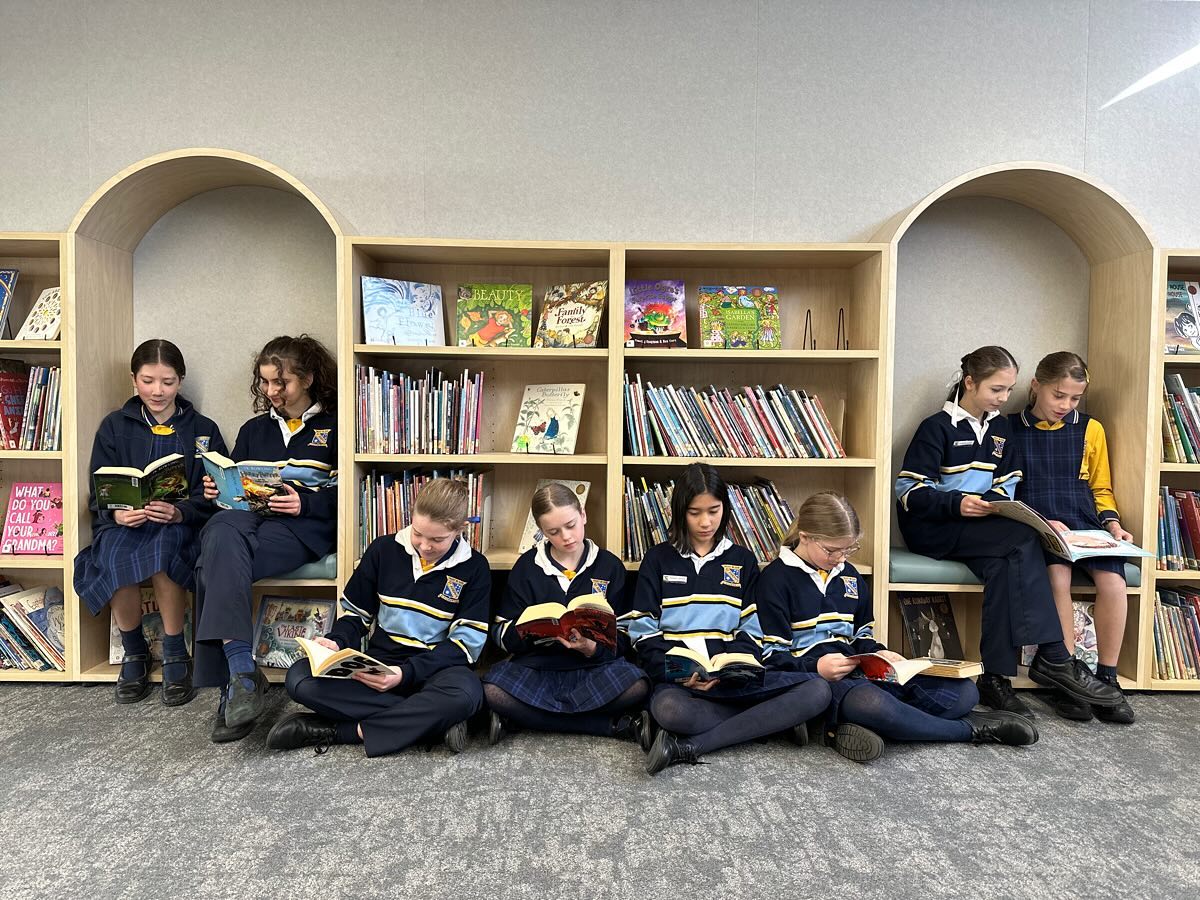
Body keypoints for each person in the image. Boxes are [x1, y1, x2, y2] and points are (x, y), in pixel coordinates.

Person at [895, 345, 1123, 718]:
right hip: (933, 528)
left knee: (1004, 567)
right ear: (970, 382)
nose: (1004, 398)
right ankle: (1055, 656)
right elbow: (908, 490)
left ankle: (995, 678)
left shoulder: (1000, 429)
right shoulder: (936, 427)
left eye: (1008, 390)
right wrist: (957, 504)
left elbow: (1008, 482)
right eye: (996, 389)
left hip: (979, 528)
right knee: (1023, 540)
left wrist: (994, 503)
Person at [756, 491, 1037, 762]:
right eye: (832, 550)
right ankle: (969, 730)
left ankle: (872, 725)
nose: (841, 558)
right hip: (818, 681)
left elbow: (861, 635)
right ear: (805, 536)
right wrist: (816, 667)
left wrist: (880, 653)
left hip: (860, 671)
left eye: (849, 550)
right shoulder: (775, 580)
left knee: (964, 692)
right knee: (872, 704)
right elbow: (770, 657)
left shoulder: (849, 576)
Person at [624, 463, 832, 774]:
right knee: (669, 710)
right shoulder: (658, 559)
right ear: (679, 511)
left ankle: (692, 744)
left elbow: (751, 630)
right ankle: (770, 722)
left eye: (714, 511)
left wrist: (731, 669)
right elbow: (642, 631)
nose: (705, 522)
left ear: (725, 508)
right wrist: (677, 671)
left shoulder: (742, 560)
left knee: (817, 690)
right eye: (694, 512)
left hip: (732, 680)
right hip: (681, 682)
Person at [267, 479, 489, 757]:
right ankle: (433, 722)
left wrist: (405, 674)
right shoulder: (383, 550)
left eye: (437, 540)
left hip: (435, 670)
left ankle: (344, 731)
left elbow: (464, 645)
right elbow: (356, 615)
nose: (424, 546)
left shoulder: (475, 567)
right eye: (418, 533)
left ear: (460, 529)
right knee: (300, 678)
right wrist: (336, 642)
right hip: (379, 665)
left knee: (465, 695)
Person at [193, 335, 338, 743]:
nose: (272, 391)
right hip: (245, 521)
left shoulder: (336, 425)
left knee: (209, 567)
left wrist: (305, 503)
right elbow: (234, 483)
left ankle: (237, 680)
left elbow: (349, 492)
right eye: (265, 382)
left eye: (281, 382)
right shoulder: (253, 430)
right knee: (220, 529)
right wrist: (215, 491)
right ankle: (242, 672)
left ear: (307, 379)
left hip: (297, 528)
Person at [74, 339, 226, 706]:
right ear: (133, 380)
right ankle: (134, 651)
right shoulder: (114, 426)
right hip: (125, 524)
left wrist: (180, 512)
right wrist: (116, 512)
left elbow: (217, 492)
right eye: (148, 381)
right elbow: (99, 489)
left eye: (168, 382)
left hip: (178, 526)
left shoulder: (202, 429)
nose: (158, 391)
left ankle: (175, 651)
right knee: (113, 553)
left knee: (165, 548)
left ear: (180, 381)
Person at [1008, 351, 1135, 723]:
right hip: (1039, 524)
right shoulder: (1009, 428)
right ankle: (1066, 677)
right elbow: (1006, 491)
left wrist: (1113, 525)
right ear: (1037, 386)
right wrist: (1039, 521)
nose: (1065, 404)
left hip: (1084, 522)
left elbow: (1101, 488)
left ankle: (1107, 677)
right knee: (1057, 579)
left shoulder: (1091, 429)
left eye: (1075, 398)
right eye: (1058, 395)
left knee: (1114, 582)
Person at [483, 483, 650, 746]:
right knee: (493, 690)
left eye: (571, 525)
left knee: (638, 685)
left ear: (583, 515)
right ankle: (607, 726)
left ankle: (525, 720)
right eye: (554, 532)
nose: (566, 537)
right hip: (538, 667)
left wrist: (593, 649)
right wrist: (528, 633)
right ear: (542, 532)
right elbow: (500, 632)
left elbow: (627, 633)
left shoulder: (609, 566)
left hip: (594, 667)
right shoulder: (527, 567)